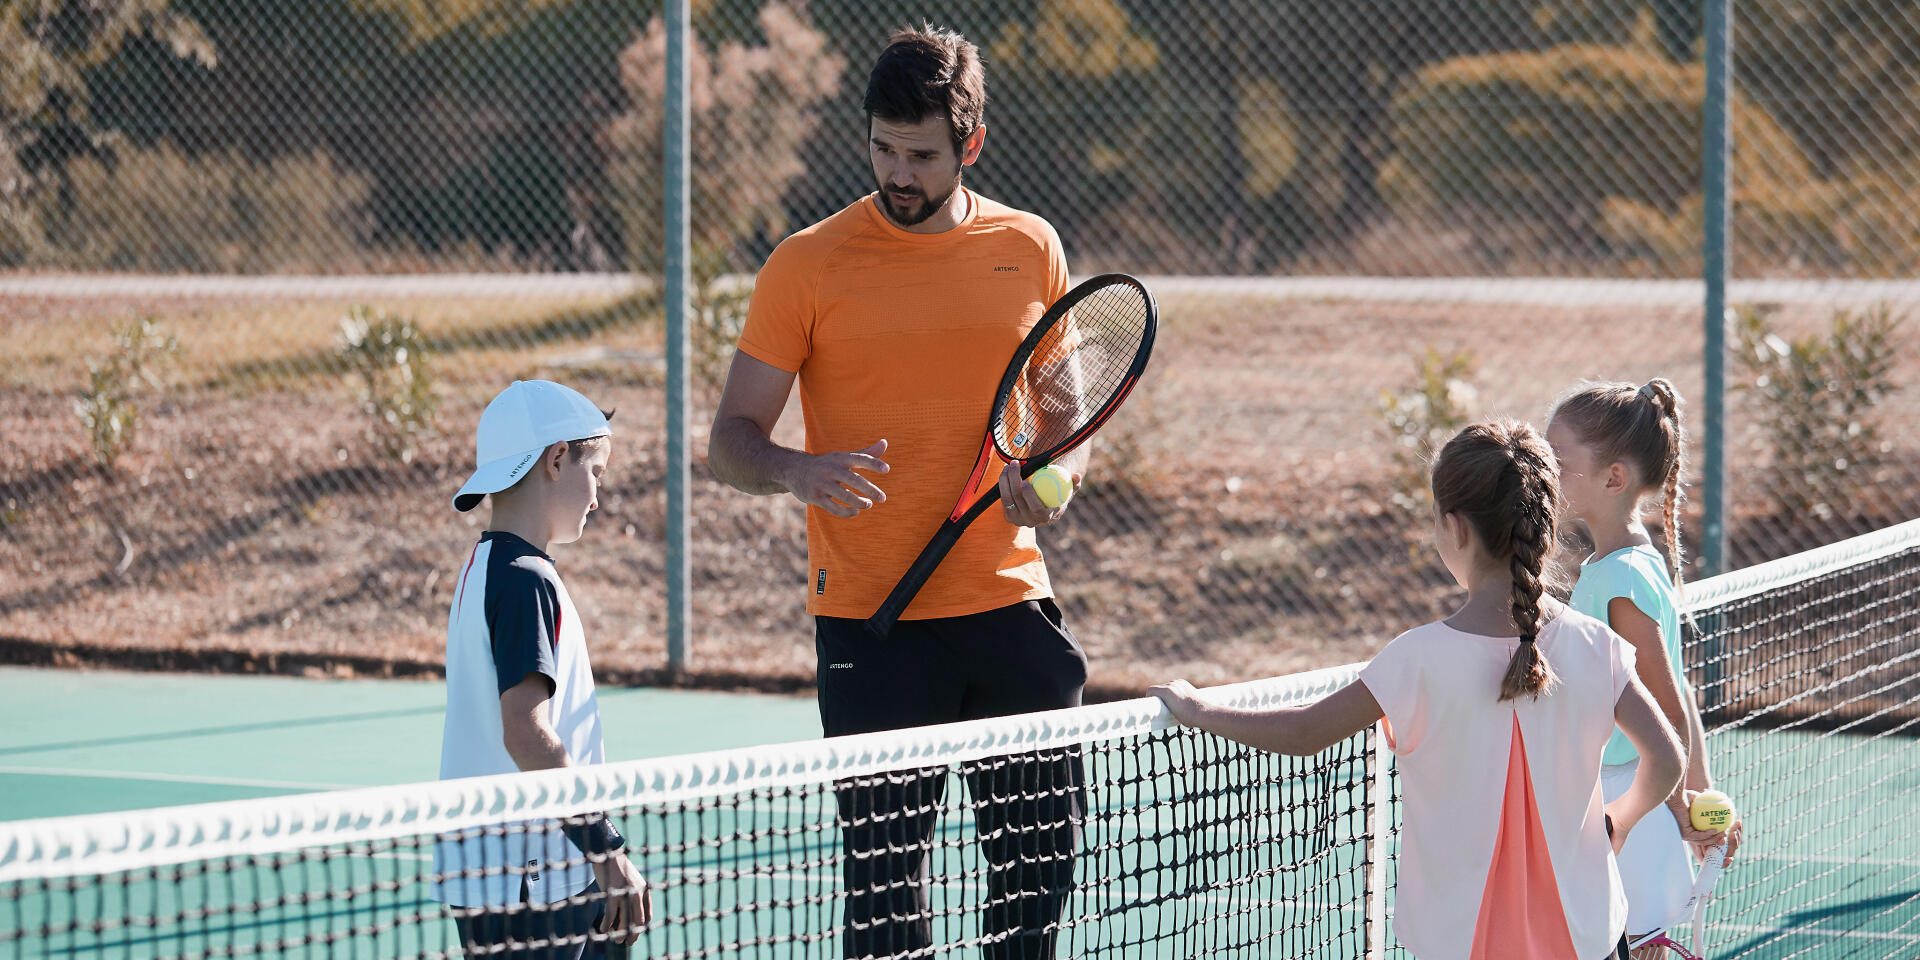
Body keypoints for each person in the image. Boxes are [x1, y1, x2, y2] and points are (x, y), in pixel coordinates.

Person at [706, 24, 1088, 959]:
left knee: (1038, 880)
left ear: (973, 144)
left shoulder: (1029, 247)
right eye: (882, 147)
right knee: (885, 904)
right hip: (870, 627)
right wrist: (798, 469)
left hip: (1008, 605)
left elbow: (1067, 425)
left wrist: (1053, 484)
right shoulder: (806, 264)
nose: (897, 172)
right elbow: (728, 443)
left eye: (920, 154)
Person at [1151, 421, 1685, 960]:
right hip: (1588, 937)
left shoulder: (1416, 659)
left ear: (1453, 527)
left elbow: (1305, 731)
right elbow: (1666, 757)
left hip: (1458, 943)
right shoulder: (1597, 645)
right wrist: (1621, 818)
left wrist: (1201, 709)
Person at [431, 379, 650, 958]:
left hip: (504, 875)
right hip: (529, 883)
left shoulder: (486, 565)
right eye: (594, 473)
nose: (597, 497)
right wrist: (606, 850)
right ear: (556, 459)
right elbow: (526, 732)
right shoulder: (525, 578)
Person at [1547, 379, 1746, 956]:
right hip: (1623, 791)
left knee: (1626, 945)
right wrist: (1696, 785)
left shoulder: (1619, 578)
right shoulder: (1628, 562)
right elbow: (1677, 688)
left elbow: (1662, 695)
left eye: (1558, 461)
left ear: (1613, 478)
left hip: (1625, 798)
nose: (1546, 472)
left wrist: (1682, 801)